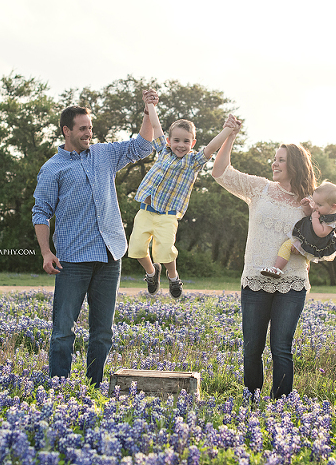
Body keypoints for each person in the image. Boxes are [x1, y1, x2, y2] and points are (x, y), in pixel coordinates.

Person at [32, 89, 160, 386]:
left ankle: (93, 387)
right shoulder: (52, 169)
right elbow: (40, 213)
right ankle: (59, 389)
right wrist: (46, 252)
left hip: (109, 256)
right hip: (73, 260)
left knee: (102, 333)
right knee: (63, 331)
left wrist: (147, 111)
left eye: (90, 127)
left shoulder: (104, 154)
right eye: (82, 128)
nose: (88, 133)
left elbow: (142, 146)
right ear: (66, 131)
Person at [211, 118, 317, 400]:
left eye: (281, 160)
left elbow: (324, 244)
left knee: (281, 347)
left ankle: (281, 405)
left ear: (295, 165)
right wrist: (230, 136)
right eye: (274, 159)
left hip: (292, 282)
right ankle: (252, 399)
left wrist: (304, 248)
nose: (274, 163)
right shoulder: (260, 188)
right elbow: (220, 172)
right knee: (252, 347)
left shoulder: (310, 202)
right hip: (256, 277)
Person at [128, 110, 239, 298]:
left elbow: (212, 147)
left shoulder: (193, 161)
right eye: (176, 140)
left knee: (165, 251)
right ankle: (152, 273)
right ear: (169, 141)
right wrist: (150, 105)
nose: (181, 145)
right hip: (145, 211)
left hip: (168, 215)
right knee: (136, 249)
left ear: (192, 143)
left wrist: (228, 129)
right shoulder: (163, 151)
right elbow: (155, 125)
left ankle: (173, 278)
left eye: (186, 141)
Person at [260, 181, 336, 278]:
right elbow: (309, 214)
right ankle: (304, 274)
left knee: (286, 246)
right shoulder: (322, 209)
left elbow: (321, 233)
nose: (315, 206)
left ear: (333, 206)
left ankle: (276, 268)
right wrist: (306, 206)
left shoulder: (331, 220)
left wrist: (315, 219)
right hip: (308, 236)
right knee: (305, 259)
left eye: (319, 205)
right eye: (315, 202)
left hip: (314, 242)